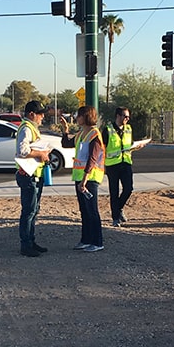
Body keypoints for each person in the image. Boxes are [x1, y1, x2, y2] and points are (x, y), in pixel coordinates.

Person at [60, 106, 106, 252]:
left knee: (92, 210)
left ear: (85, 117)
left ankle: (97, 242)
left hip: (90, 179)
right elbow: (66, 144)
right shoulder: (81, 133)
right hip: (80, 177)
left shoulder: (94, 134)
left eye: (78, 115)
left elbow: (92, 159)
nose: (76, 118)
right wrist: (65, 130)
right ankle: (86, 239)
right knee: (84, 210)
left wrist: (84, 180)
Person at [15, 100, 51, 257]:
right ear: (32, 114)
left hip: (35, 174)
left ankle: (31, 241)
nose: (42, 117)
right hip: (28, 175)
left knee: (34, 210)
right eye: (40, 114)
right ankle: (26, 245)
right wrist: (41, 154)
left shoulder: (32, 129)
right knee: (29, 211)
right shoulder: (26, 129)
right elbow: (22, 151)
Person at [103, 106, 143, 227]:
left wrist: (136, 147)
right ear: (118, 116)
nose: (127, 119)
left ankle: (118, 208)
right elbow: (102, 148)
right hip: (112, 165)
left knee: (128, 189)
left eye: (128, 117)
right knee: (113, 192)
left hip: (126, 163)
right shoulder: (107, 130)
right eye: (125, 116)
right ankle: (115, 218)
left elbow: (128, 145)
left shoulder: (129, 129)